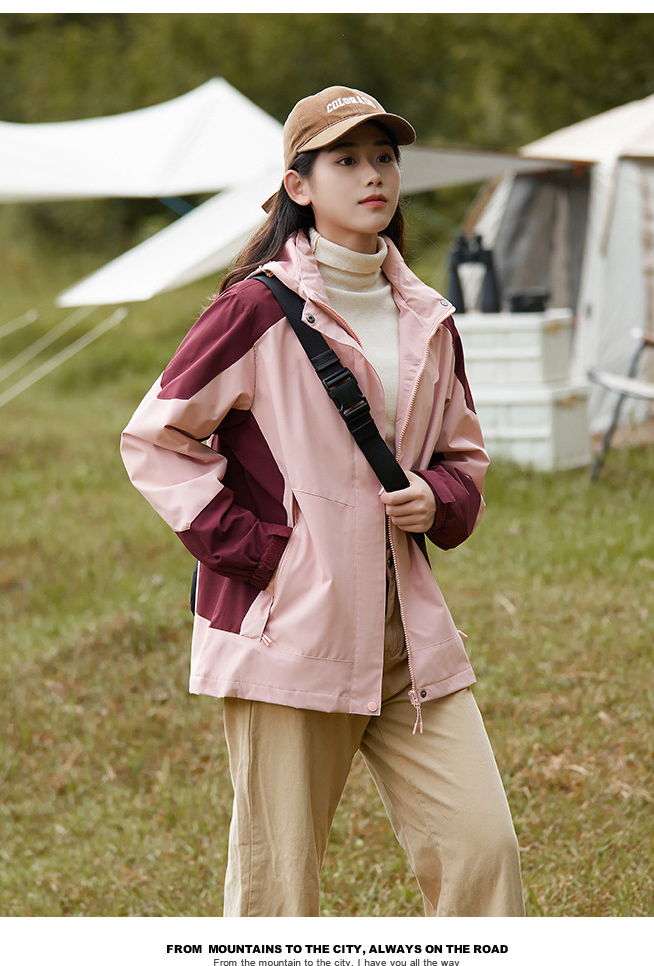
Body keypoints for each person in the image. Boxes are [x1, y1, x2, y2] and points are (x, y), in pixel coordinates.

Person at [120, 85, 525, 918]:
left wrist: (437, 495)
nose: (372, 175)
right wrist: (265, 555)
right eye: (346, 159)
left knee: (484, 853)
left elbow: (464, 456)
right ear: (298, 185)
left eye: (384, 157)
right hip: (290, 634)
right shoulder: (253, 308)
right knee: (278, 894)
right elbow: (155, 439)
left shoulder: (429, 316)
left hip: (409, 636)